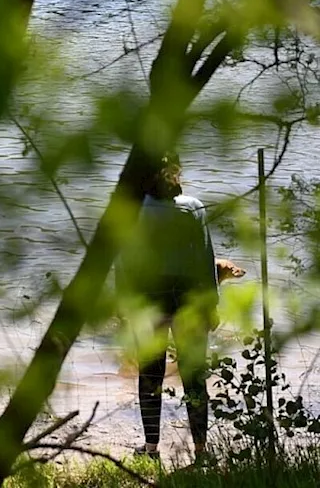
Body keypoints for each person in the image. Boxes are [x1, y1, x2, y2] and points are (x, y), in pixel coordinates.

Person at [117, 155, 217, 462]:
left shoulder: (135, 210)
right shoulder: (193, 208)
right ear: (177, 173)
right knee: (193, 373)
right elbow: (205, 258)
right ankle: (201, 450)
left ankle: (150, 449)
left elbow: (125, 260)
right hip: (188, 298)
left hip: (150, 298)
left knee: (150, 374)